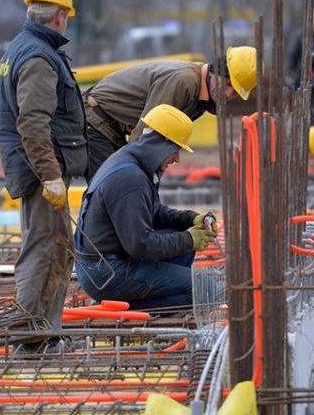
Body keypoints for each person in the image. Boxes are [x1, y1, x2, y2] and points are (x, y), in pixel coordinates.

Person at [0, 0, 87, 344]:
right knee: (42, 250)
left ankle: (45, 331)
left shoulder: (24, 47)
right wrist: (50, 176)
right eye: (67, 15)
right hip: (40, 172)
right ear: (60, 16)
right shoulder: (37, 57)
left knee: (58, 247)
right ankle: (30, 337)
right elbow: (32, 123)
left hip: (37, 167)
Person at [74, 104, 217, 309]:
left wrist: (190, 219)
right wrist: (188, 238)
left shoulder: (132, 162)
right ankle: (128, 305)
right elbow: (140, 245)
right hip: (106, 273)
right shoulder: (130, 178)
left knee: (184, 245)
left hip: (104, 264)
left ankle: (157, 290)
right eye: (176, 149)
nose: (177, 158)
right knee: (206, 288)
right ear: (162, 144)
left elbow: (154, 213)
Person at [83, 46, 257, 181]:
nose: (227, 94)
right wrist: (144, 181)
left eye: (234, 92)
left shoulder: (201, 95)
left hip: (112, 126)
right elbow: (146, 133)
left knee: (120, 187)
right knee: (113, 189)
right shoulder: (184, 82)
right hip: (97, 118)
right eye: (227, 84)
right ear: (214, 71)